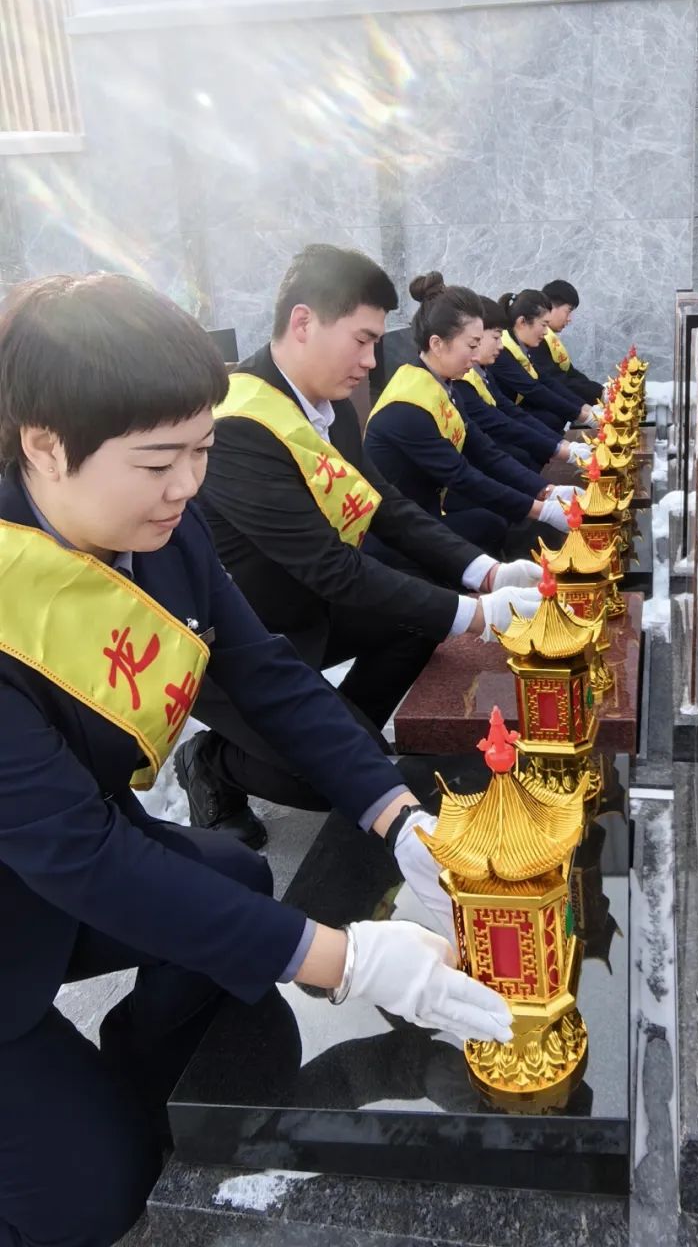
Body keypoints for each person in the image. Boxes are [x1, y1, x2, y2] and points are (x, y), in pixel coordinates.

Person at [0, 273, 512, 1247]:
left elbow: (267, 675)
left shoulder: (161, 525)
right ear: (41, 444)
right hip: (30, 891)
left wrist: (396, 814)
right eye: (160, 462)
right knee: (88, 1202)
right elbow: (86, 858)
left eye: (200, 450)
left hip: (56, 865)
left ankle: (136, 1094)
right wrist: (344, 958)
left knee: (233, 877)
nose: (190, 487)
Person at [187, 245, 542, 849]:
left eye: (377, 341)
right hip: (242, 647)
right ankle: (214, 760)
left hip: (311, 611)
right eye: (361, 339)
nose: (371, 359)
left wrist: (486, 573)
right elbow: (330, 566)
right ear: (303, 322)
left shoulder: (326, 405)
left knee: (413, 627)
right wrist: (477, 617)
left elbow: (386, 507)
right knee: (331, 784)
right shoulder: (238, 424)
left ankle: (340, 734)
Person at [364, 278, 574, 557]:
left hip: (428, 508)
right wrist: (541, 510)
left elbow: (484, 450)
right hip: (399, 529)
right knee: (492, 525)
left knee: (498, 520)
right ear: (438, 344)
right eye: (472, 345)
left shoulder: (443, 385)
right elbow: (461, 475)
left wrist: (546, 491)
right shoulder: (407, 408)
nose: (476, 357)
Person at [457, 293, 594, 472]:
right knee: (521, 455)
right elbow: (527, 395)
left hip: (494, 434)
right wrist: (561, 451)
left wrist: (566, 439)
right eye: (495, 337)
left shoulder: (486, 365)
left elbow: (539, 385)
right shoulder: (467, 376)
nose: (546, 332)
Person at [489, 289, 600, 433]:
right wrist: (584, 417)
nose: (547, 332)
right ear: (522, 322)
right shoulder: (502, 352)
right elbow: (533, 389)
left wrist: (586, 409)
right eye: (543, 325)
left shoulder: (519, 346)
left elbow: (546, 381)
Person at [538, 279, 605, 404]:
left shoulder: (548, 338)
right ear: (550, 307)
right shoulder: (536, 340)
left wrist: (602, 392)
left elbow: (569, 373)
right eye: (568, 312)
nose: (569, 319)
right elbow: (559, 381)